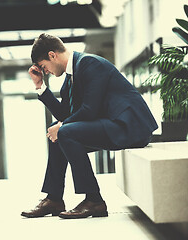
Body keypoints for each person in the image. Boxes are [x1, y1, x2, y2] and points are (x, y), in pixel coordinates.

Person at [21, 33, 158, 219]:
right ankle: (54, 199)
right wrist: (40, 87)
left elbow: (89, 110)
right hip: (112, 124)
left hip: (129, 127)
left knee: (64, 131)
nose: (46, 72)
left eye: (44, 67)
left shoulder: (89, 63)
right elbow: (66, 116)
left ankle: (94, 200)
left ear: (52, 55)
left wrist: (62, 126)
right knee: (59, 130)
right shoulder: (70, 79)